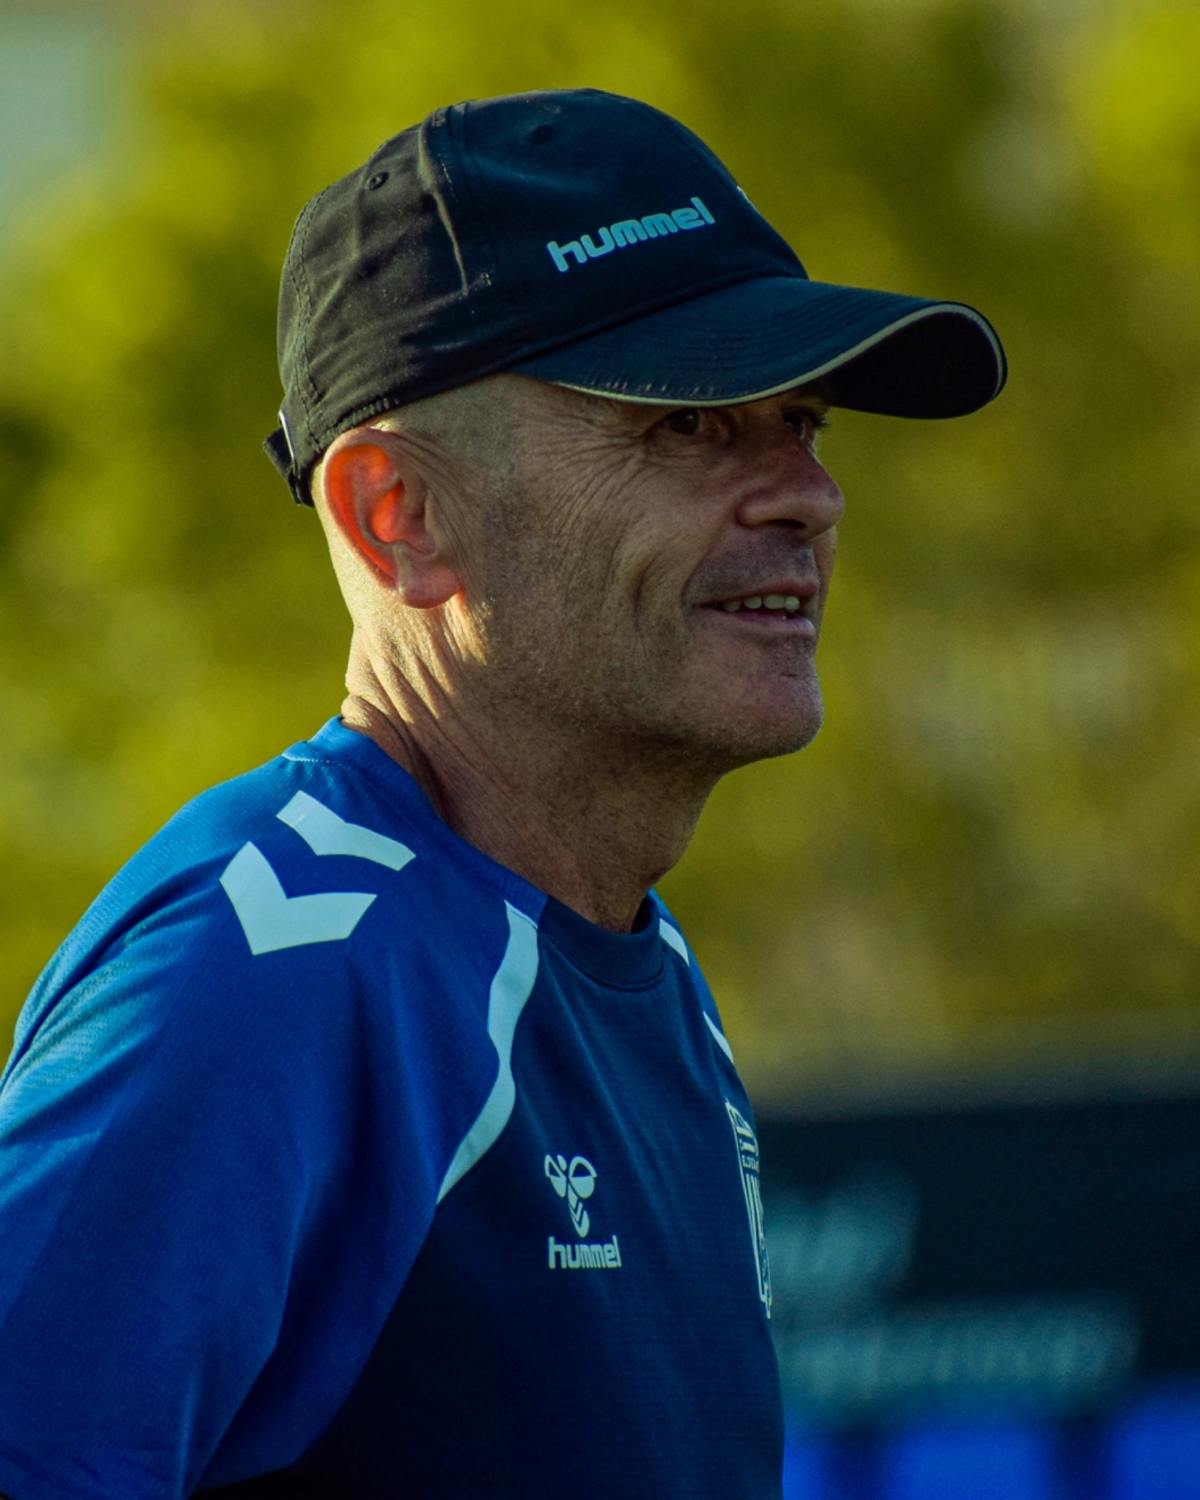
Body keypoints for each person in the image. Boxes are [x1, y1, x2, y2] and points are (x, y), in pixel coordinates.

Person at [0, 88, 1005, 1499]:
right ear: (396, 515)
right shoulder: (276, 969)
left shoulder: (641, 970)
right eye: (690, 425)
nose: (807, 494)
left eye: (805, 420)